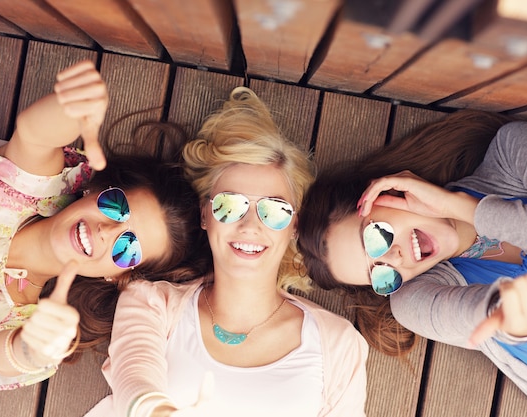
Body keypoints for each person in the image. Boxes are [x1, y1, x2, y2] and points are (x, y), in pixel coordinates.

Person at [86, 87, 368, 417]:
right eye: (229, 205)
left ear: (294, 225)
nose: (250, 224)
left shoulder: (337, 343)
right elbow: (134, 376)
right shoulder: (151, 303)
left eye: (274, 211)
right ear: (205, 215)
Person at [296, 110, 527, 416]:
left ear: (386, 192)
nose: (394, 259)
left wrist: (460, 207)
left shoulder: (511, 151)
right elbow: (471, 312)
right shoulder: (415, 300)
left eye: (375, 237)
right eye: (381, 276)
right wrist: (506, 313)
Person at [0, 61, 208, 390]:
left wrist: (32, 350)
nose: (108, 232)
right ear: (94, 192)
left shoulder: (25, 323)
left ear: (119, 276)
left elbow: (4, 356)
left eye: (129, 247)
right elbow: (35, 134)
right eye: (116, 206)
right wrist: (72, 108)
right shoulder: (30, 186)